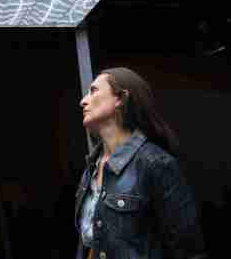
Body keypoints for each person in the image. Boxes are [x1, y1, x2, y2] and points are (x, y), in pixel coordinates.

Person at [76, 67, 206, 259]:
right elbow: (91, 243)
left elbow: (189, 250)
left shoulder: (155, 164)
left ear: (120, 99)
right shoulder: (91, 167)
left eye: (93, 91)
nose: (83, 101)